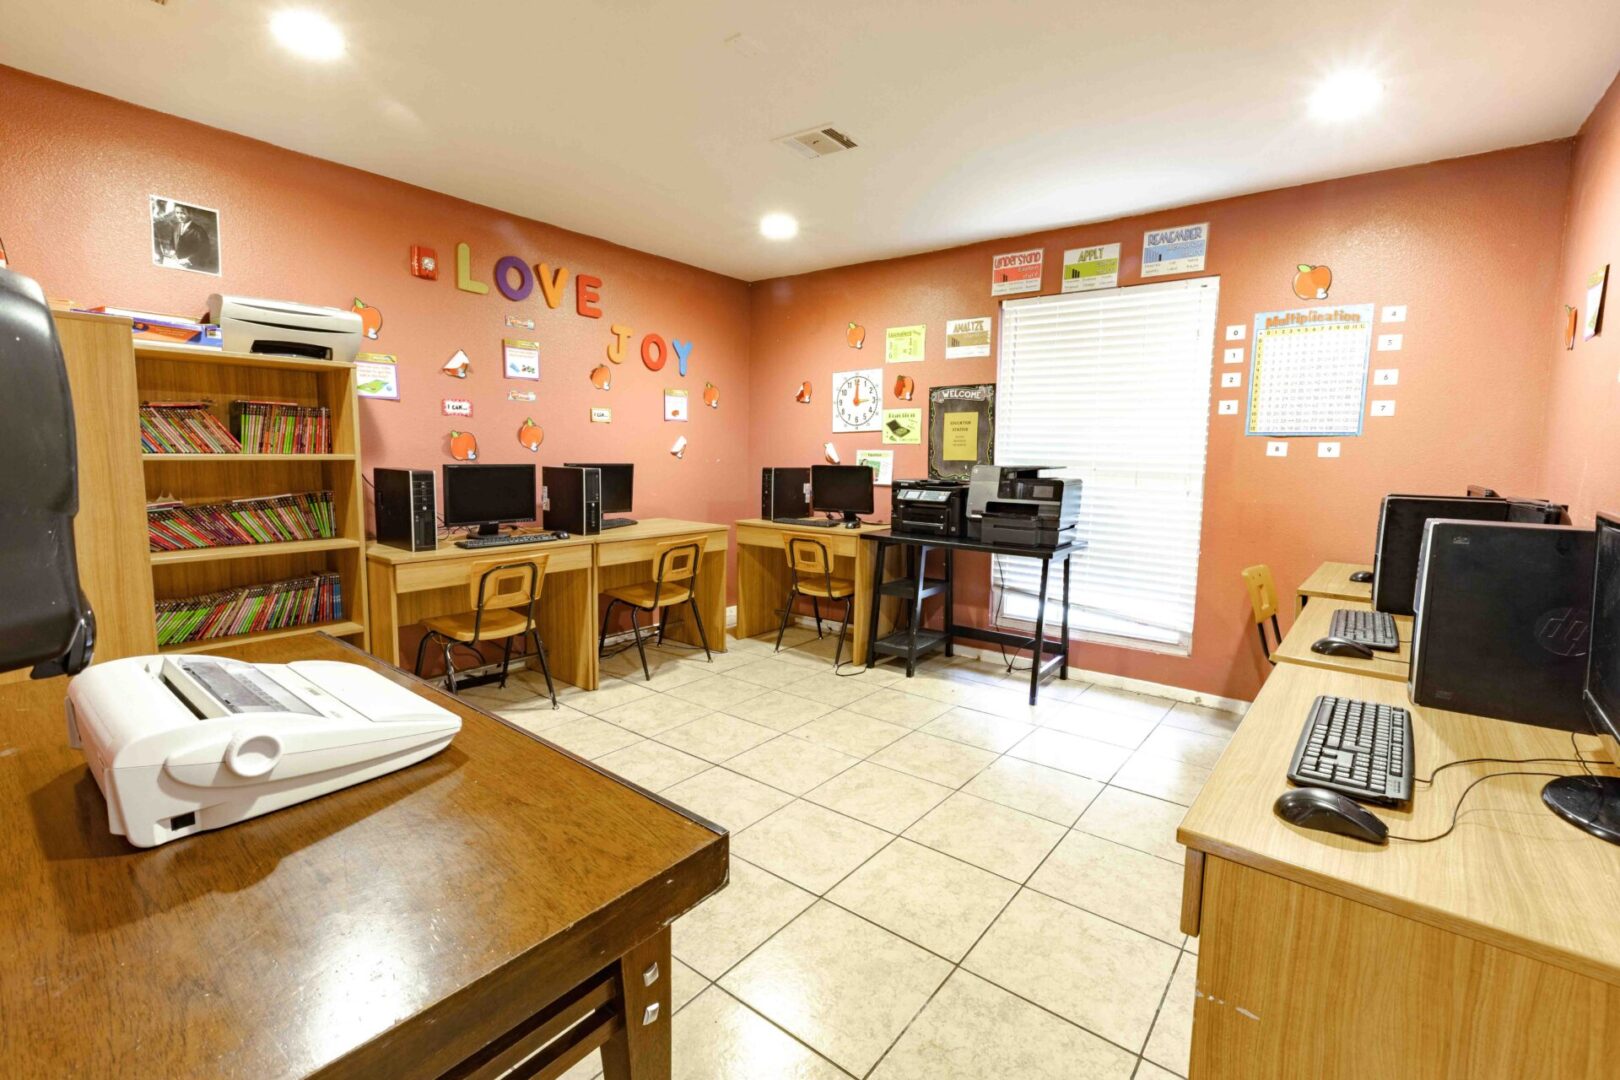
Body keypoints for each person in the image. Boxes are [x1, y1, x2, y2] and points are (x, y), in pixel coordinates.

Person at [172, 205, 218, 273]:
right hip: (177, 263)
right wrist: (173, 251)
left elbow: (205, 249)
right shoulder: (177, 227)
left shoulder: (198, 230)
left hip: (192, 266)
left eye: (182, 213)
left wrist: (189, 260)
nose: (179, 216)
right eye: (177, 213)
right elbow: (172, 241)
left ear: (190, 213)